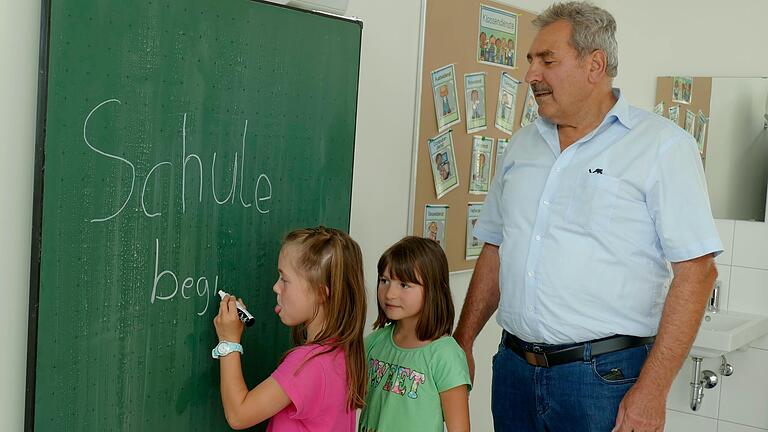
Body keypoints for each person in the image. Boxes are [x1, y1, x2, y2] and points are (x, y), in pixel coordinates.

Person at [453, 2, 722, 432]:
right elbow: (496, 247)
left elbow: (696, 272)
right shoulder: (522, 145)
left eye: (547, 60)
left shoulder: (662, 147)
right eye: (530, 61)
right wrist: (462, 341)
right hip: (514, 370)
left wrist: (651, 390)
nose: (531, 75)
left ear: (594, 64)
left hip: (604, 380)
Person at [213, 226, 367, 431]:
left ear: (321, 293)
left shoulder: (307, 364)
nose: (276, 287)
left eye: (284, 279)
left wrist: (229, 341)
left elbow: (239, 415)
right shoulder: (341, 354)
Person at [359, 237, 471, 432]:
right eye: (384, 281)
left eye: (404, 284)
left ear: (433, 290)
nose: (389, 294)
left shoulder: (445, 355)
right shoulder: (374, 343)